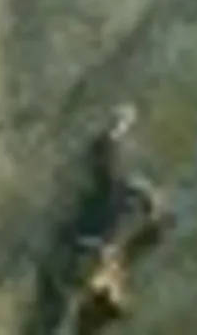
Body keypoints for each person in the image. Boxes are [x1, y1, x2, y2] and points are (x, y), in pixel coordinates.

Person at [75, 104, 173, 320]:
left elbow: (80, 248)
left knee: (112, 183)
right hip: (112, 217)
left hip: (99, 219)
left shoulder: (99, 273)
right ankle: (112, 135)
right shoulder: (117, 267)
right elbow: (138, 243)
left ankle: (112, 135)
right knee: (119, 186)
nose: (124, 290)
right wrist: (155, 222)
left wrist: (101, 251)